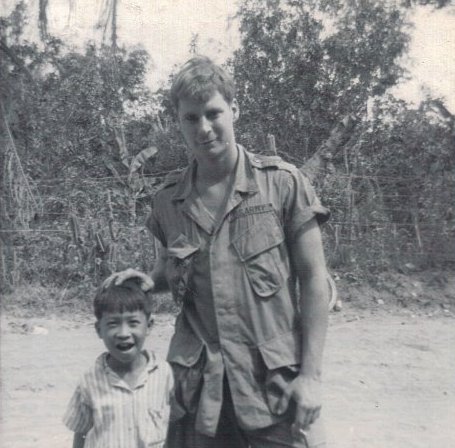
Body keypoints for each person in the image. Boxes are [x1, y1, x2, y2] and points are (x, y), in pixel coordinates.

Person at [110, 55, 330, 447]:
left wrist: (310, 378)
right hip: (199, 390)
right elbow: (170, 269)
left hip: (272, 385)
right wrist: (148, 282)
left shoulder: (282, 184)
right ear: (177, 121)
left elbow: (315, 280)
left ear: (234, 110)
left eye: (213, 113)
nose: (204, 128)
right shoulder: (167, 202)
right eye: (190, 118)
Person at [63, 279, 173, 448]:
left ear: (149, 326)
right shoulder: (90, 380)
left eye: (133, 323)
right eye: (113, 324)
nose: (123, 333)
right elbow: (80, 432)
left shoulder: (164, 374)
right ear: (99, 329)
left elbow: (175, 426)